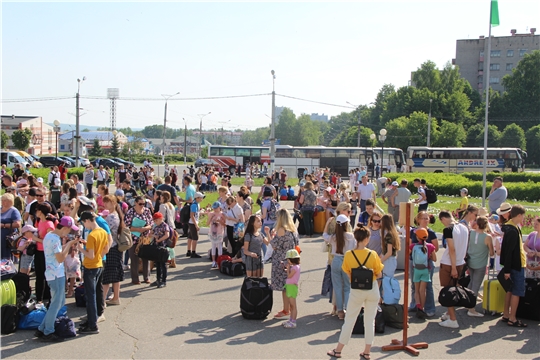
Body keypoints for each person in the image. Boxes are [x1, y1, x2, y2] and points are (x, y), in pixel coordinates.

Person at [327, 224, 384, 360]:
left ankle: (338, 350)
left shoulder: (349, 255)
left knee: (350, 320)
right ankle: (367, 351)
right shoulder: (373, 254)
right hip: (372, 289)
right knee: (370, 321)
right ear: (367, 239)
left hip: (356, 290)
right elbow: (379, 274)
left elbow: (347, 273)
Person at [35, 216, 79, 342]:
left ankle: (42, 328)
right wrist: (69, 244)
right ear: (64, 228)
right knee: (56, 303)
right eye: (69, 230)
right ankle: (48, 331)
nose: (69, 233)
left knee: (57, 302)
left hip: (51, 273)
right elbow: (60, 258)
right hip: (55, 274)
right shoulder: (55, 239)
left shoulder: (50, 235)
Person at [78, 211, 110, 334]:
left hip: (90, 267)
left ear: (87, 220)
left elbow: (90, 255)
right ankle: (93, 319)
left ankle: (92, 324)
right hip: (99, 265)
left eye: (83, 222)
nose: (84, 226)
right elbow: (105, 248)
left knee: (90, 296)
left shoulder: (91, 235)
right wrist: (98, 256)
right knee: (96, 292)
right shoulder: (102, 231)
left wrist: (81, 249)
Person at [438, 210, 469, 328]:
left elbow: (452, 249)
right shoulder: (464, 227)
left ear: (443, 219)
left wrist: (453, 267)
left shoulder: (448, 230)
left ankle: (453, 319)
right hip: (461, 261)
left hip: (450, 263)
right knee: (455, 288)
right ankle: (448, 313)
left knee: (447, 291)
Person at [323, 214, 356, 320]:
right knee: (347, 287)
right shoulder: (351, 236)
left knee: (337, 287)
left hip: (336, 261)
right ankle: (348, 309)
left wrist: (328, 223)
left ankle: (340, 310)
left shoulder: (334, 237)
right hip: (347, 261)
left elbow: (324, 236)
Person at [500, 204, 528, 327]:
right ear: (519, 215)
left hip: (513, 265)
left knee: (510, 290)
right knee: (517, 291)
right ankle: (513, 318)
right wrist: (507, 270)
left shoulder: (510, 227)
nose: (523, 219)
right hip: (517, 265)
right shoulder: (513, 230)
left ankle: (506, 314)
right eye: (523, 217)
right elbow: (509, 251)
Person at [270, 209, 299, 320]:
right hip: (292, 259)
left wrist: (271, 234)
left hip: (281, 260)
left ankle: (286, 309)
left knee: (284, 287)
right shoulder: (293, 230)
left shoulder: (281, 230)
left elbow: (273, 245)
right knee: (290, 286)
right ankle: (291, 308)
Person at [409, 211, 439, 316]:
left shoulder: (431, 233)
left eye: (427, 218)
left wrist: (426, 255)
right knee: (414, 285)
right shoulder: (412, 232)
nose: (426, 220)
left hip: (427, 263)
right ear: (418, 219)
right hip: (413, 262)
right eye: (423, 218)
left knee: (428, 286)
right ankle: (415, 305)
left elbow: (436, 248)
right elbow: (409, 246)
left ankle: (429, 308)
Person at [466, 216, 494, 317]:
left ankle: (467, 302)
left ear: (476, 223)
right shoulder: (487, 237)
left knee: (472, 282)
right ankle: (471, 309)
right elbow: (491, 252)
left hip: (470, 261)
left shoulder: (471, 233)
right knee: (476, 286)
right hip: (480, 264)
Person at [124, 196, 154, 284]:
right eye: (140, 204)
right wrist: (137, 229)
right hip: (133, 238)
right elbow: (127, 226)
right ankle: (135, 279)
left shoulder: (147, 211)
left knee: (146, 258)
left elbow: (151, 223)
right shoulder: (130, 212)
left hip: (144, 238)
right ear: (135, 203)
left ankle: (146, 277)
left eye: (143, 204)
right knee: (134, 259)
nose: (142, 205)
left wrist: (144, 228)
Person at [101, 195, 125, 305]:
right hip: (115, 247)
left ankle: (102, 300)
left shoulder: (112, 217)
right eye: (104, 202)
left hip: (111, 247)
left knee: (107, 275)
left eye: (108, 202)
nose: (105, 204)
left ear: (114, 203)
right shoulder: (114, 215)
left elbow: (105, 231)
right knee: (115, 275)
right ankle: (116, 297)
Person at [148, 212, 169, 288]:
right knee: (158, 264)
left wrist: (159, 239)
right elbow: (150, 234)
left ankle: (163, 281)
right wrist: (154, 236)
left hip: (163, 247)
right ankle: (158, 279)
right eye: (154, 221)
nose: (155, 222)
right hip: (156, 247)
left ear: (161, 219)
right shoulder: (155, 226)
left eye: (156, 220)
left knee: (163, 264)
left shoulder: (165, 225)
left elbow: (167, 235)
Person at [282, 249, 301, 329]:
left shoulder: (294, 267)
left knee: (293, 306)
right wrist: (288, 268)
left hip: (292, 287)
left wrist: (288, 269)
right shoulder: (296, 267)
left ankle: (293, 321)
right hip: (290, 286)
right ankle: (291, 320)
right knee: (291, 305)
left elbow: (289, 276)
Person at [1, 193, 22, 260]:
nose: (3, 202)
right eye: (2, 200)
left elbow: (18, 224)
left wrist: (4, 225)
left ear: (10, 201)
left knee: (7, 256)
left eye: (5, 200)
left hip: (8, 238)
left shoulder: (14, 211)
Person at [380, 214, 400, 278]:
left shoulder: (389, 235)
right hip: (390, 260)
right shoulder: (393, 233)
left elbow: (389, 252)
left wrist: (381, 260)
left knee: (387, 280)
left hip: (388, 260)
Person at [208, 201, 226, 269]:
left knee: (219, 247)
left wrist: (220, 221)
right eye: (214, 208)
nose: (215, 209)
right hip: (212, 232)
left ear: (219, 207)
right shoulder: (211, 213)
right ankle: (213, 261)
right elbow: (207, 223)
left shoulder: (222, 214)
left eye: (216, 208)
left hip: (220, 232)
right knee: (213, 246)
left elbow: (225, 224)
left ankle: (219, 261)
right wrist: (211, 218)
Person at [187, 192, 205, 258]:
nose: (202, 199)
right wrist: (196, 225)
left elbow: (196, 213)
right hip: (193, 223)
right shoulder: (194, 205)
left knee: (190, 237)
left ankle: (189, 251)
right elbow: (192, 215)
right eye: (201, 198)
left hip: (191, 222)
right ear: (197, 198)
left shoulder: (196, 204)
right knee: (195, 238)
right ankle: (193, 252)